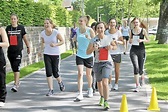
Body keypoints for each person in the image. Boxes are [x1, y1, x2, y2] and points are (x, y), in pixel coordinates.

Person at [87, 21, 117, 110]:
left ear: (104, 28)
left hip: (107, 62)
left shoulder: (108, 38)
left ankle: (106, 102)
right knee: (99, 83)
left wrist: (111, 47)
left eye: (101, 28)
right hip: (97, 63)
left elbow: (115, 46)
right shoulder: (93, 40)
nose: (100, 29)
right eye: (98, 28)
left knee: (105, 82)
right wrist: (93, 48)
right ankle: (102, 97)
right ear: (96, 30)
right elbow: (87, 52)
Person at [39, 18, 65, 96]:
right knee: (48, 72)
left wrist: (55, 44)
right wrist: (41, 51)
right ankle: (51, 90)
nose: (46, 25)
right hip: (47, 54)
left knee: (55, 72)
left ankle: (60, 82)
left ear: (51, 24)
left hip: (55, 54)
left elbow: (62, 41)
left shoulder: (55, 33)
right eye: (45, 23)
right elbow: (43, 42)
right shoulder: (42, 33)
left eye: (47, 23)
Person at [6, 13, 30, 92]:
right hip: (10, 51)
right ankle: (17, 81)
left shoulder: (21, 28)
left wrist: (28, 47)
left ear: (17, 19)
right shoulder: (8, 28)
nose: (13, 20)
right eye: (12, 19)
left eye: (14, 19)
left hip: (18, 51)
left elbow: (25, 39)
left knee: (16, 67)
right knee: (13, 68)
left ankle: (16, 84)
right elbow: (4, 39)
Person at [74, 16, 95, 101]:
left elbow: (95, 41)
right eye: (79, 21)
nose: (79, 22)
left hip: (89, 55)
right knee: (80, 73)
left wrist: (89, 38)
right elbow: (76, 39)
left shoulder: (90, 30)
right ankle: (80, 93)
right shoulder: (77, 31)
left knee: (88, 74)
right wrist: (73, 39)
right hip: (79, 54)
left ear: (85, 22)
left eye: (81, 21)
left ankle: (90, 89)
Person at [129, 17, 150, 92]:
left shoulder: (143, 30)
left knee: (141, 68)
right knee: (136, 67)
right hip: (133, 50)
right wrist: (130, 41)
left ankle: (142, 79)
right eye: (134, 23)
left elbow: (148, 40)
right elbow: (129, 40)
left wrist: (142, 40)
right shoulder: (131, 31)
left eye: (137, 22)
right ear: (133, 23)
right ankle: (137, 85)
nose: (136, 24)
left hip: (141, 50)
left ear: (139, 23)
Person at [105, 18, 124, 91]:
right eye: (111, 22)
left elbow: (123, 42)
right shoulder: (106, 32)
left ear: (115, 24)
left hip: (117, 52)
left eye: (113, 22)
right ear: (109, 24)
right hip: (109, 53)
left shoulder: (118, 32)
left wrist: (118, 42)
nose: (112, 24)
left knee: (117, 70)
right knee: (109, 69)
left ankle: (116, 83)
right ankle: (109, 83)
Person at [0, 27, 9, 107]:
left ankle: (2, 98)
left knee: (1, 77)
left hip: (0, 58)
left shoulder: (1, 29)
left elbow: (6, 43)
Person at [90, 22, 97, 93]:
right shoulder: (89, 36)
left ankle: (97, 83)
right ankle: (92, 86)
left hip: (98, 54)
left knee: (97, 70)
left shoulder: (99, 36)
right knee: (92, 71)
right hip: (91, 54)